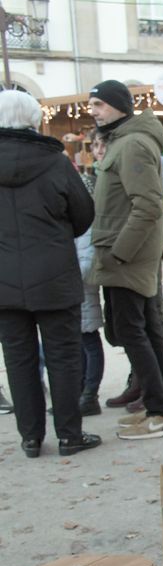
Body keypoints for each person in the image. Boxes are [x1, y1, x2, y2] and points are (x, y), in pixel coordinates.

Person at [0, 89, 100, 458]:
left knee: (18, 359)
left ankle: (30, 437)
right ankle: (69, 435)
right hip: (54, 273)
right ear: (33, 119)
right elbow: (83, 213)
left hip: (4, 280)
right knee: (63, 356)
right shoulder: (55, 162)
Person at [86, 79, 163, 440]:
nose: (94, 111)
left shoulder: (133, 144)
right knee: (145, 331)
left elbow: (148, 205)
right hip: (123, 255)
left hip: (126, 258)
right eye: (92, 105)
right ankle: (162, 405)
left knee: (132, 331)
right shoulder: (125, 141)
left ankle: (160, 411)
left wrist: (120, 252)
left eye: (99, 104)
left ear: (120, 106)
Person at [75, 129, 107, 416]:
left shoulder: (84, 223)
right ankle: (81, 390)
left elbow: (87, 257)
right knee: (77, 345)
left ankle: (89, 392)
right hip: (70, 291)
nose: (97, 150)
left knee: (89, 341)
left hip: (81, 290)